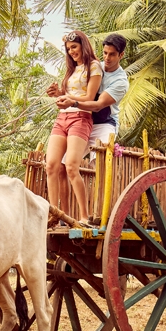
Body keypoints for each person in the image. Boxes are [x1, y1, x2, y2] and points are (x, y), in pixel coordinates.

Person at [44, 30, 103, 225]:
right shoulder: (71, 70)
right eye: (69, 50)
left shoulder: (94, 67)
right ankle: (56, 214)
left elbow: (88, 98)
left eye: (74, 47)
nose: (71, 52)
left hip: (81, 117)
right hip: (62, 118)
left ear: (83, 45)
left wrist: (69, 99)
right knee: (51, 165)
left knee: (71, 167)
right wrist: (58, 93)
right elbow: (69, 94)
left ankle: (84, 216)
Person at [56, 33, 128, 156]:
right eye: (105, 53)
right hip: (83, 120)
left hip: (104, 124)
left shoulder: (120, 82)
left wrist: (73, 103)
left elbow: (98, 105)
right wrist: (59, 93)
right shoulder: (95, 66)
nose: (107, 58)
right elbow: (77, 92)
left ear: (121, 55)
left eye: (112, 54)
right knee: (63, 164)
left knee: (98, 163)